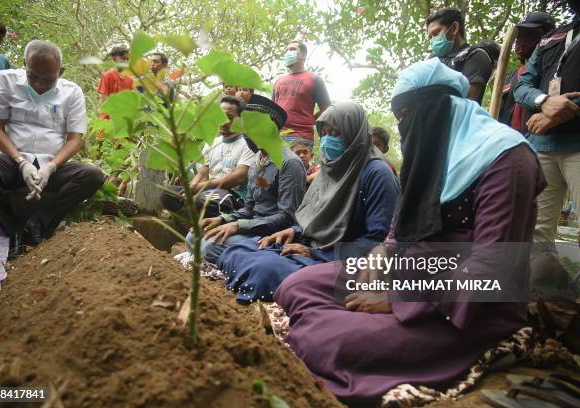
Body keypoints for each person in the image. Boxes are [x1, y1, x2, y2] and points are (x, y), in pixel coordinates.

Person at [274, 58, 545, 406]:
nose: (404, 128)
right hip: (410, 270)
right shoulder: (432, 150)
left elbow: (492, 266)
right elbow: (401, 224)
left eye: (407, 116)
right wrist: (383, 252)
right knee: (295, 284)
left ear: (439, 107)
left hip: (469, 303)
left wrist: (401, 300)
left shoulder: (507, 158)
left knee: (326, 339)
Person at [219, 102, 399, 303]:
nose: (327, 140)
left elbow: (376, 241)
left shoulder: (377, 173)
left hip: (341, 259)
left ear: (353, 134)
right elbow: (315, 214)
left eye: (336, 133)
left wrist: (315, 253)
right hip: (309, 245)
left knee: (265, 271)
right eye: (324, 133)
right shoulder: (330, 168)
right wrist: (295, 231)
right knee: (238, 251)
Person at [0, 40, 105, 245]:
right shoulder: (5, 80)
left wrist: (51, 167)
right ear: (25, 64)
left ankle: (38, 223)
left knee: (92, 176)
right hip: (10, 162)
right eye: (33, 77)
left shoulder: (72, 92)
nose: (40, 84)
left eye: (48, 79)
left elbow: (74, 139)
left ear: (61, 72)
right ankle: (11, 224)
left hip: (50, 166)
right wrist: (21, 162)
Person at [513, 0, 580, 299]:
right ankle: (548, 309)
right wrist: (544, 102)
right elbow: (522, 85)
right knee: (535, 233)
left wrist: (559, 111)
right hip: (541, 147)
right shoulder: (552, 38)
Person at [187, 95, 306, 265]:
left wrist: (238, 226)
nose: (247, 133)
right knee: (194, 236)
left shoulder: (289, 163)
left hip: (270, 235)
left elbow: (287, 217)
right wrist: (223, 220)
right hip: (251, 228)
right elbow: (249, 208)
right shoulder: (257, 160)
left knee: (208, 246)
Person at [161, 96, 256, 215]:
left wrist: (202, 187)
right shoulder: (213, 142)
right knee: (167, 193)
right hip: (209, 192)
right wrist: (192, 187)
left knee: (203, 201)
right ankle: (196, 219)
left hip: (234, 196)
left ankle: (198, 218)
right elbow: (203, 172)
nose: (222, 121)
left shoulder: (248, 144)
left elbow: (239, 177)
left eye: (229, 117)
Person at [498, 12, 556, 132]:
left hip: (540, 144)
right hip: (509, 143)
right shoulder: (508, 77)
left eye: (530, 35)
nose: (521, 41)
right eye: (519, 36)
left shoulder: (554, 72)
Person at [426, 7, 494, 104]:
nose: (433, 40)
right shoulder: (433, 60)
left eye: (436, 33)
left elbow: (467, 99)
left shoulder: (475, 56)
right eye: (430, 37)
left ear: (454, 28)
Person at [272, 41, 331, 147]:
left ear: (303, 55)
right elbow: (272, 109)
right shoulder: (278, 81)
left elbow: (326, 107)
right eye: (286, 50)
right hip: (278, 137)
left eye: (292, 49)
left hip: (301, 136)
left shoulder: (314, 79)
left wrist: (311, 120)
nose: (287, 52)